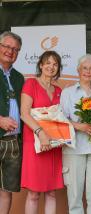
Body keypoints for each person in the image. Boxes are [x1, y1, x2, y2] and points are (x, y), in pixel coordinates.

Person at [60, 54, 91, 214]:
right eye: (84, 68)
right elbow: (60, 121)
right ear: (78, 70)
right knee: (74, 194)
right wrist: (81, 126)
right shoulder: (68, 93)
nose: (88, 71)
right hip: (74, 148)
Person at [21, 51, 64, 214]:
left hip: (53, 145)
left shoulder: (59, 90)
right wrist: (41, 133)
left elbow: (61, 118)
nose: (51, 67)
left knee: (51, 192)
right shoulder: (31, 84)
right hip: (35, 143)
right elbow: (24, 113)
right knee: (33, 193)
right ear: (41, 65)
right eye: (48, 63)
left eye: (55, 64)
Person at [0, 31, 24, 214]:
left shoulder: (19, 77)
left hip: (14, 142)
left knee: (6, 190)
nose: (10, 51)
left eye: (15, 49)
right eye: (7, 46)